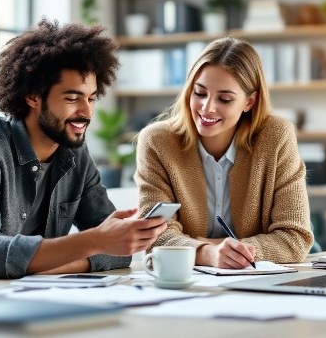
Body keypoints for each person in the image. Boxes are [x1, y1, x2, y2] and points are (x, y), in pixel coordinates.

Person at [0, 19, 167, 290]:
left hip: (12, 301)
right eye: (72, 99)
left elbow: (116, 249)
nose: (86, 113)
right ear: (33, 97)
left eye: (91, 98)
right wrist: (94, 241)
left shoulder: (74, 153)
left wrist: (56, 265)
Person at [134, 36, 313, 269]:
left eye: (225, 99)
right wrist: (208, 252)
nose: (207, 108)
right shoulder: (157, 142)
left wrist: (227, 251)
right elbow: (153, 235)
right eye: (199, 93)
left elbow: (295, 238)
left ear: (249, 102)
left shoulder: (276, 137)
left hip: (259, 280)